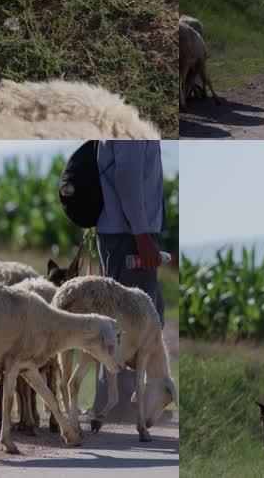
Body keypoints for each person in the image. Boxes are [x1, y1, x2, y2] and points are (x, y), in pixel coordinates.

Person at [90, 139, 165, 422]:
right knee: (129, 322)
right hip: (129, 234)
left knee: (126, 319)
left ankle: (117, 401)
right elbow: (127, 177)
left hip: (125, 231)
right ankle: (118, 404)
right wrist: (143, 235)